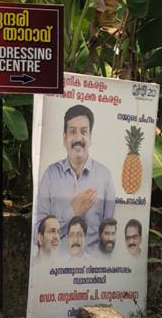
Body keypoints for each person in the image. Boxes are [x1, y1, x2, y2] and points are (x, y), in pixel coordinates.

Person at [36, 104, 116, 254]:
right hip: (57, 269)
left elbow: (109, 232)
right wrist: (72, 212)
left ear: (90, 138)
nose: (78, 138)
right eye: (73, 131)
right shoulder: (50, 175)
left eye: (84, 131)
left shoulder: (105, 176)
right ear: (64, 138)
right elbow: (38, 233)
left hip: (93, 270)